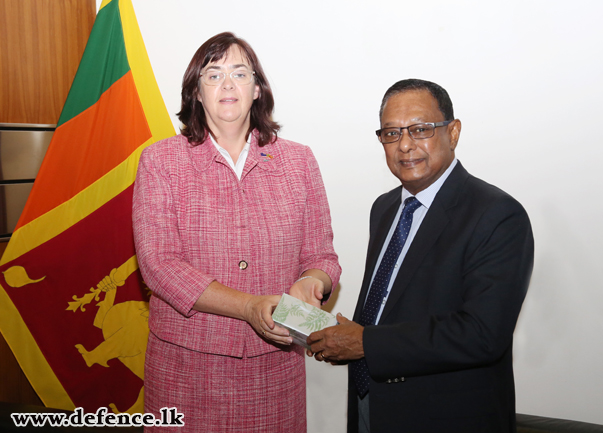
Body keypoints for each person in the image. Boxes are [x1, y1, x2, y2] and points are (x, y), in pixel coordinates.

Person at [132, 32, 341, 432]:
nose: (227, 84)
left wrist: (310, 284)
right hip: (186, 372)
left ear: (257, 89)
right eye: (213, 74)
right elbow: (158, 265)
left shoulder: (298, 161)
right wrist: (247, 307)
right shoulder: (160, 161)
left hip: (274, 369)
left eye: (239, 73)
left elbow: (322, 257)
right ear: (195, 92)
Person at [307, 79, 534, 433]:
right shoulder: (384, 208)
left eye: (420, 129)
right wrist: (341, 339)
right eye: (392, 133)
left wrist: (364, 343)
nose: (405, 145)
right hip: (371, 407)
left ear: (453, 132)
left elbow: (482, 334)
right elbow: (389, 303)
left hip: (446, 417)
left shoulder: (497, 214)